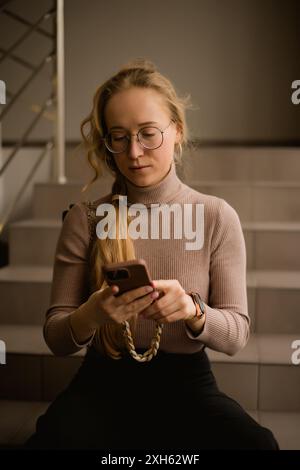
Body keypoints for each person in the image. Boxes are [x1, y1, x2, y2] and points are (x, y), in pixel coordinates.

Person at [25, 58, 279, 450]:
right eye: (119, 137)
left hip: (188, 382)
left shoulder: (215, 216)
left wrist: (194, 312)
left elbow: (236, 336)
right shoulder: (87, 218)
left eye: (148, 134)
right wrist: (93, 313)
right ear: (107, 143)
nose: (134, 151)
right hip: (101, 381)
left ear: (177, 131)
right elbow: (57, 338)